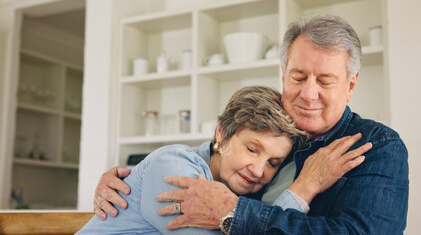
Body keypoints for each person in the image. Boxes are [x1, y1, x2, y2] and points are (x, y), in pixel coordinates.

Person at [95, 14, 409, 234]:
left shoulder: (378, 146)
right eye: (298, 77)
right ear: (284, 74)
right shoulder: (284, 137)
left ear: (351, 85)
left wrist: (235, 213)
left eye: (325, 81)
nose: (308, 94)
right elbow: (217, 157)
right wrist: (138, 174)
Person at [77, 86, 369, 234]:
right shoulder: (173, 166)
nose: (257, 170)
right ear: (222, 134)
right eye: (252, 149)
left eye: (273, 163)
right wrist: (303, 189)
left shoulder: (236, 194)